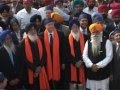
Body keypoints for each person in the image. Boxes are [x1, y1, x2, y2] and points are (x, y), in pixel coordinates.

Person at [19, 23, 50, 90]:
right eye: (31, 30)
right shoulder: (22, 44)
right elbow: (23, 60)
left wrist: (40, 66)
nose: (33, 31)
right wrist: (35, 69)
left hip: (41, 69)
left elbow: (44, 54)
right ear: (27, 32)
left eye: (34, 29)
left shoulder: (41, 40)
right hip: (29, 72)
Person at [83, 23, 113, 90]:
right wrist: (91, 65)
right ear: (91, 33)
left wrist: (97, 66)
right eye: (93, 33)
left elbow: (109, 57)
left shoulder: (107, 41)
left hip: (103, 73)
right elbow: (84, 56)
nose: (95, 34)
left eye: (97, 32)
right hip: (91, 73)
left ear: (100, 32)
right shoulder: (88, 42)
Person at [39, 18, 67, 90]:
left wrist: (63, 62)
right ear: (45, 26)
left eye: (52, 24)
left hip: (58, 61)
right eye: (49, 25)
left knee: (58, 81)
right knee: (49, 81)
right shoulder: (41, 36)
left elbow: (63, 49)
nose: (51, 26)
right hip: (46, 62)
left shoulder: (60, 34)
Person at [67, 19, 86, 90]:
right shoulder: (67, 38)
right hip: (72, 65)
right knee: (73, 85)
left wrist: (81, 61)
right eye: (73, 27)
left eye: (76, 27)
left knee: (81, 84)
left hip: (82, 64)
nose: (75, 29)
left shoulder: (85, 37)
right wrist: (75, 62)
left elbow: (87, 52)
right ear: (71, 28)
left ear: (79, 27)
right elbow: (67, 53)